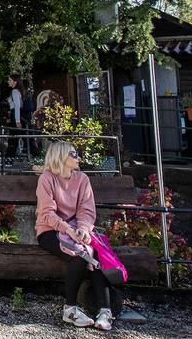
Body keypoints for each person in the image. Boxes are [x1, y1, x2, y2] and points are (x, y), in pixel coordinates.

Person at [35, 141, 121, 330]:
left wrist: (83, 228)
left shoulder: (82, 179)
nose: (77, 157)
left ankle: (105, 311)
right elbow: (47, 213)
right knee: (80, 256)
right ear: (61, 157)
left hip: (77, 230)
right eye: (73, 154)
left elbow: (87, 209)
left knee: (95, 255)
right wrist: (68, 230)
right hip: (50, 231)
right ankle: (70, 309)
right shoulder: (47, 179)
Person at [6, 74, 27, 157]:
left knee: (12, 138)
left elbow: (17, 106)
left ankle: (8, 160)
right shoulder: (18, 91)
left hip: (16, 116)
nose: (8, 82)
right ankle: (8, 159)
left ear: (15, 82)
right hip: (16, 115)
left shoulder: (14, 91)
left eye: (10, 80)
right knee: (16, 138)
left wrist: (17, 121)